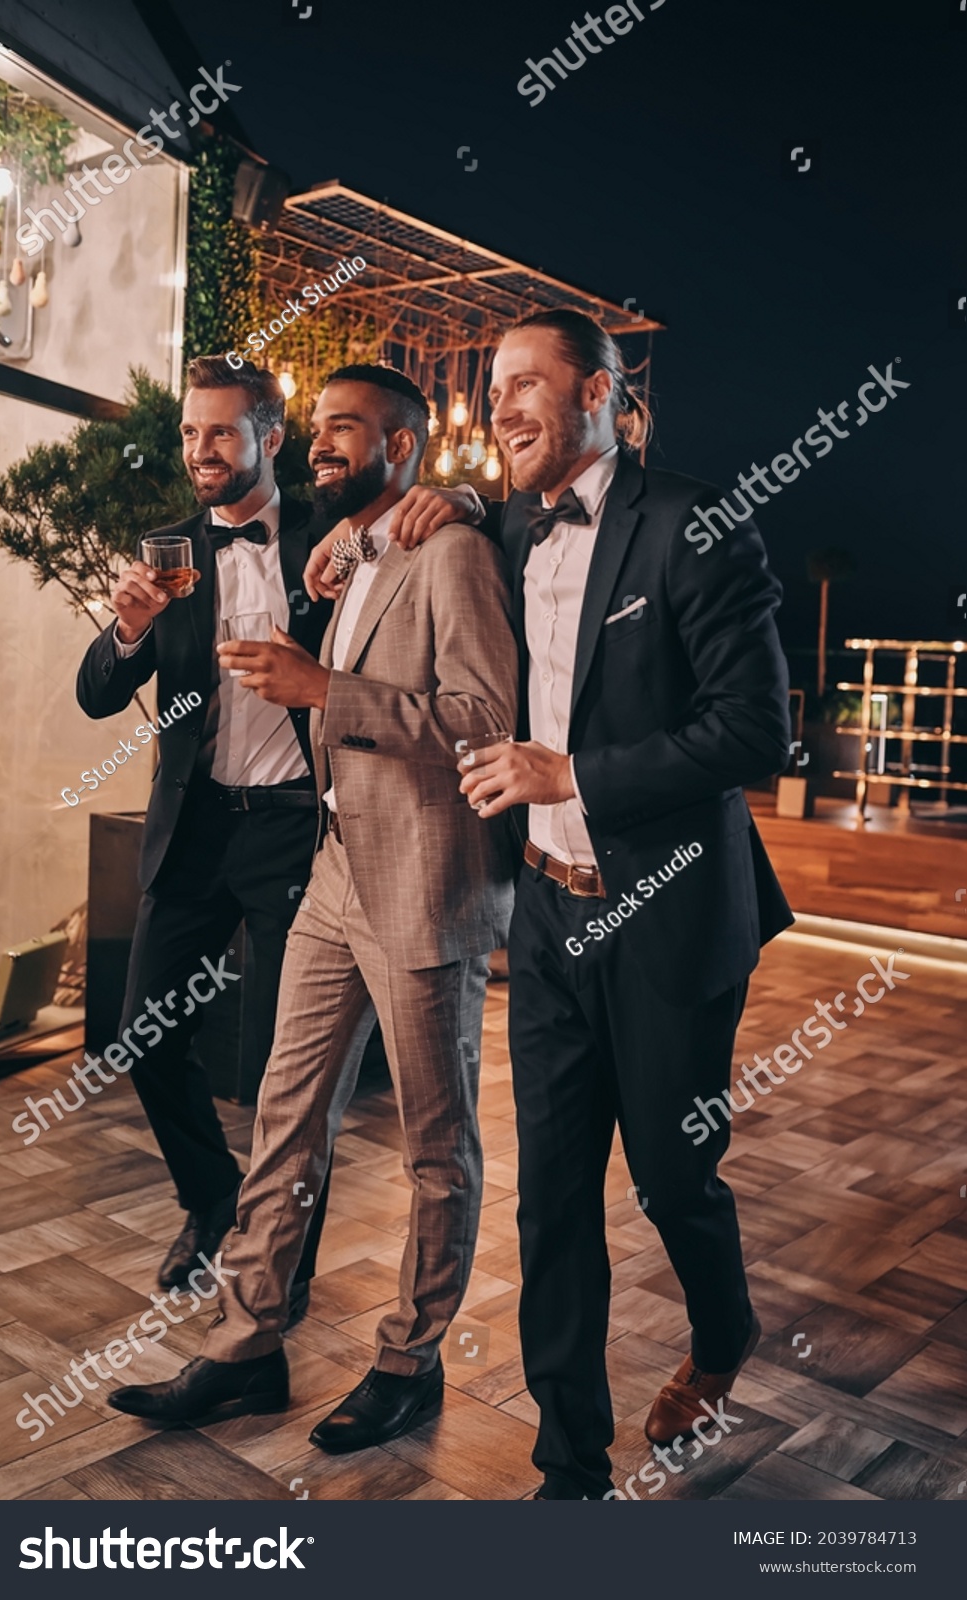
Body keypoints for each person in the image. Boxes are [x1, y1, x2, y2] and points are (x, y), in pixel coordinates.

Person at [310, 310, 794, 1500]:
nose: (504, 403)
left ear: (599, 393)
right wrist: (372, 533)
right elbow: (449, 540)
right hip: (545, 914)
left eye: (528, 382)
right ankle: (568, 1466)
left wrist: (569, 776)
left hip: (669, 913)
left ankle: (721, 1335)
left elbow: (755, 732)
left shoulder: (692, 522)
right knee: (553, 1196)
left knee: (674, 1180)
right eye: (491, 385)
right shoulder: (503, 523)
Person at [107, 364, 519, 1452]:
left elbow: (483, 714)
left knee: (437, 1148)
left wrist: (322, 688)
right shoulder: (347, 553)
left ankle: (409, 1359)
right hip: (333, 875)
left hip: (427, 883)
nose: (325, 444)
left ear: (405, 446)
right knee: (284, 1119)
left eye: (348, 427)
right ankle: (247, 1344)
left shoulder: (455, 549)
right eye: (320, 427)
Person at [76, 356, 335, 1317]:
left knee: (286, 1072)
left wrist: (465, 510)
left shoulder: (331, 537)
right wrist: (130, 630)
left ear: (271, 434)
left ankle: (285, 1266)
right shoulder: (168, 555)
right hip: (194, 830)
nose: (200, 451)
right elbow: (98, 694)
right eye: (190, 433)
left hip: (297, 835)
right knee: (145, 1037)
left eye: (220, 432)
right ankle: (210, 1197)